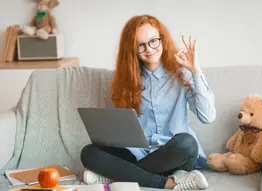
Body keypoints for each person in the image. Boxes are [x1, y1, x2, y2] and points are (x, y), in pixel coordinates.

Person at [80, 14, 216, 190]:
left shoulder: (183, 74)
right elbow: (124, 130)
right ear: (132, 49)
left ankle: (115, 176)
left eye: (153, 41)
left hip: (174, 154)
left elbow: (208, 116)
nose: (149, 49)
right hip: (140, 155)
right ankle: (166, 182)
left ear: (162, 40)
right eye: (140, 45)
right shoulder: (126, 81)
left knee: (188, 142)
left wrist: (196, 71)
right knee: (89, 152)